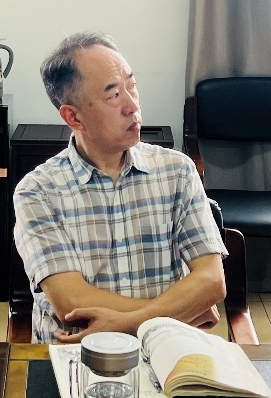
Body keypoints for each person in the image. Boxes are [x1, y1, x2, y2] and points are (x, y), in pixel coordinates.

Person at [13, 32, 227, 343]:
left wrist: (128, 323)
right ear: (73, 116)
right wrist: (185, 310)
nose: (132, 105)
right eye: (113, 95)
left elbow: (212, 281)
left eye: (132, 86)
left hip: (163, 352)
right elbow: (72, 304)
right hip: (75, 356)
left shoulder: (177, 171)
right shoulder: (38, 192)